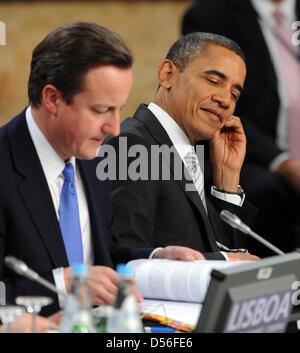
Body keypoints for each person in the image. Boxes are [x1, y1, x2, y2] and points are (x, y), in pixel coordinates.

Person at [0, 22, 204, 316]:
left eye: (119, 108)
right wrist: (62, 283)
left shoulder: (92, 158)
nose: (115, 128)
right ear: (53, 98)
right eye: (100, 110)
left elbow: (103, 254)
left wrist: (155, 257)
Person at [104, 32, 258, 261]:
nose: (225, 100)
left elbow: (218, 249)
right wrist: (225, 262)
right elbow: (124, 258)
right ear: (168, 74)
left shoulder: (191, 154)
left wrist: (227, 179)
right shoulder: (131, 146)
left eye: (234, 94)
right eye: (214, 81)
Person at [182, 0, 300, 255]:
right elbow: (217, 104)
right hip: (251, 155)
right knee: (263, 190)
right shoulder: (210, 16)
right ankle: (270, 283)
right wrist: (284, 162)